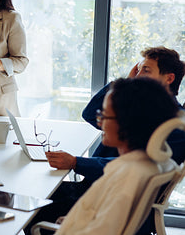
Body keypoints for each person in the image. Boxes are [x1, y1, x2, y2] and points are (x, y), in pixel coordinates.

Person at [25, 46, 185, 235]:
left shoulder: (172, 125)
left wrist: (77, 162)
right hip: (100, 191)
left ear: (169, 78)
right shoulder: (144, 110)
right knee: (35, 193)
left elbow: (130, 169)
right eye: (139, 69)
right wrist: (125, 84)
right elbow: (90, 115)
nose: (139, 75)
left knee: (31, 208)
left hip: (111, 198)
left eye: (146, 70)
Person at [55, 77, 179, 234]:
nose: (99, 122)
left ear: (127, 122)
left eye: (104, 115)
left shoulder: (126, 178)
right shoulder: (148, 164)